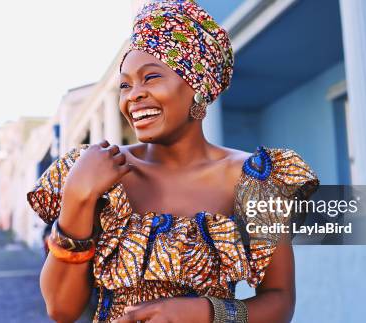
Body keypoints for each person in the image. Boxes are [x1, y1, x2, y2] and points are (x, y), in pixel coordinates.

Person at [27, 1, 319, 322]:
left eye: (150, 78)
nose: (133, 95)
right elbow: (60, 309)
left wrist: (207, 313)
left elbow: (280, 302)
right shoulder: (94, 170)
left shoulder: (256, 179)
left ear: (199, 87)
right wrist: (77, 198)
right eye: (125, 84)